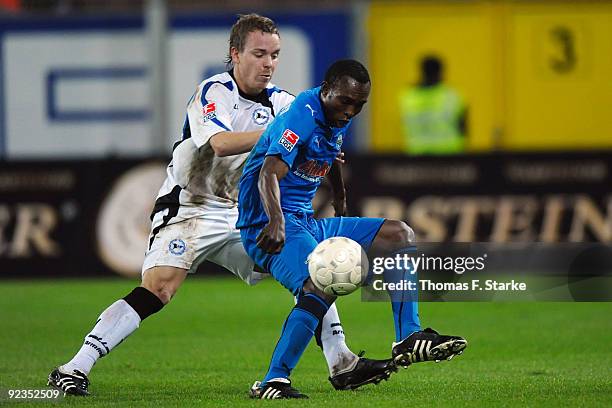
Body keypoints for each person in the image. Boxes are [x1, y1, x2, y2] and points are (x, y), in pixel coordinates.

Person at [47, 14, 394, 397]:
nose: (268, 64)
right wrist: (282, 134)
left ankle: (342, 361)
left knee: (313, 271)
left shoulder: (286, 102)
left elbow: (318, 147)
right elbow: (219, 144)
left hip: (240, 211)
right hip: (191, 207)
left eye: (275, 55)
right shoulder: (214, 92)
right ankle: (74, 367)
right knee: (159, 289)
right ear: (235, 54)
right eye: (259, 54)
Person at [237, 59, 467, 399]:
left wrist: (341, 199)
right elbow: (269, 171)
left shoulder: (336, 115)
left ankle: (409, 337)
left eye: (359, 105)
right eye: (345, 101)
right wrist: (274, 221)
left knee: (398, 234)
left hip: (307, 222)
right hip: (269, 222)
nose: (350, 111)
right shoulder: (303, 113)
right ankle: (274, 380)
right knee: (319, 285)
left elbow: (328, 154)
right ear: (326, 90)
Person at [398, 55, 467, 154]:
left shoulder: (407, 97)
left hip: (416, 157)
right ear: (441, 72)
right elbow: (463, 130)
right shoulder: (453, 97)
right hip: (449, 158)